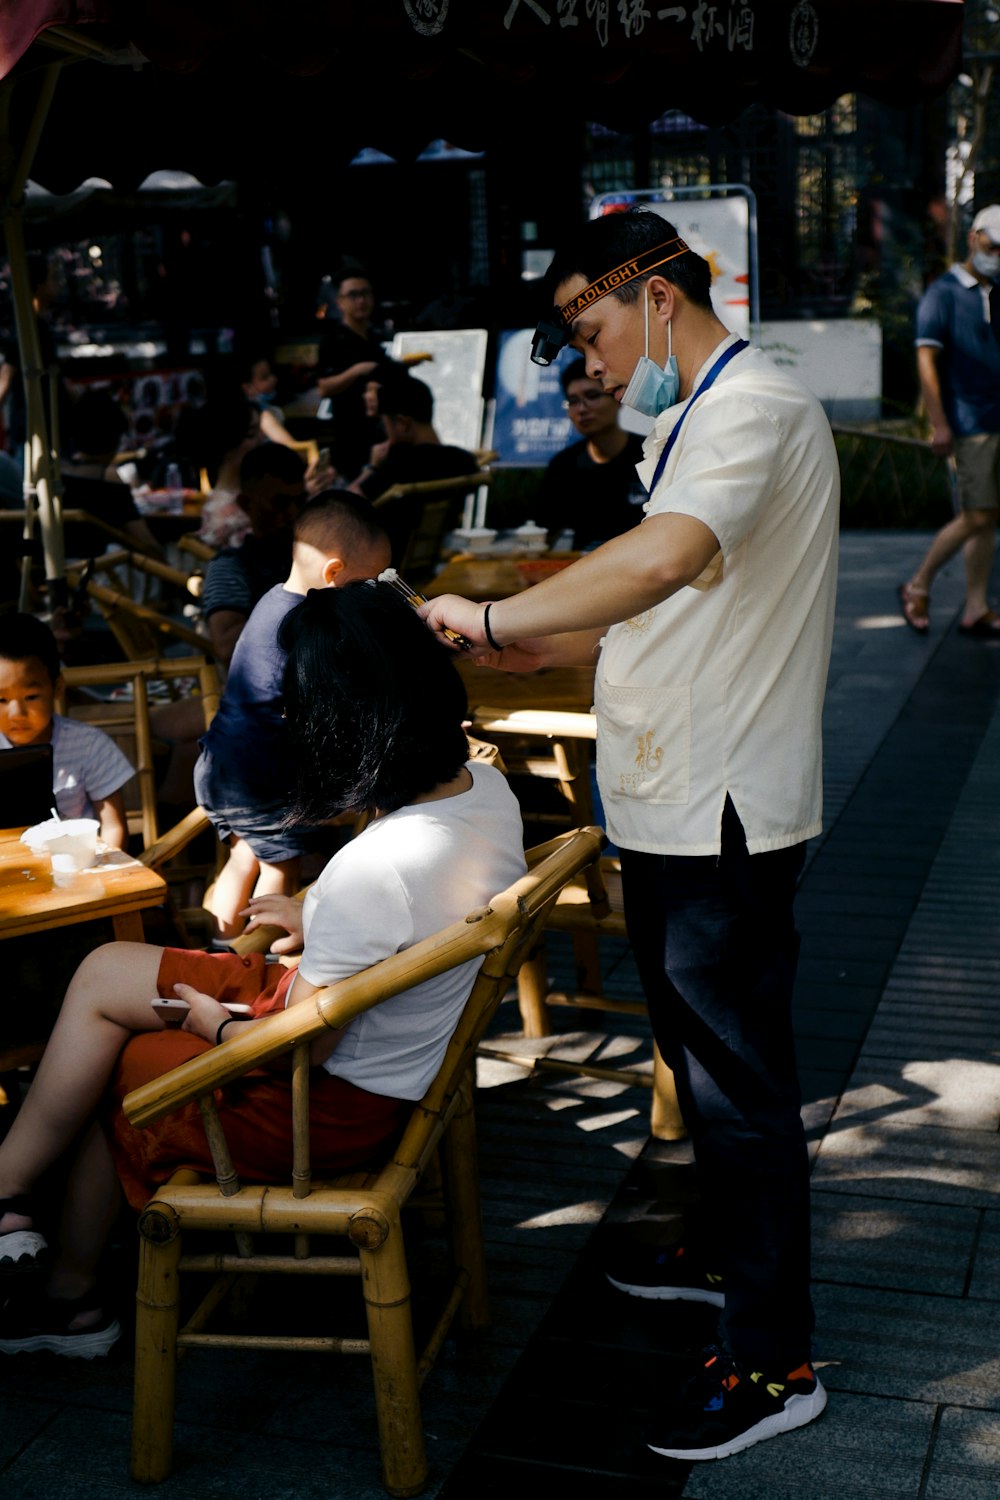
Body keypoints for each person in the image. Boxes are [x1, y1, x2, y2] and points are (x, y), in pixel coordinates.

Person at [418, 207, 838, 1462]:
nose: (587, 364)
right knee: (701, 1058)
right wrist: (552, 632)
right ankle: (727, 1253)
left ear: (656, 292)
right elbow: (664, 595)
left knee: (739, 1083)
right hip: (677, 792)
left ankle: (775, 1364)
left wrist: (492, 627)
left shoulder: (752, 407)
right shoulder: (694, 414)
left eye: (591, 329)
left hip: (720, 805)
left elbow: (661, 562)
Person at [0, 582, 526, 1356]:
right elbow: (412, 914)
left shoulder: (373, 867)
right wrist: (317, 917)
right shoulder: (484, 785)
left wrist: (216, 1023)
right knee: (106, 969)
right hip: (367, 1037)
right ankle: (12, 1199)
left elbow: (298, 1048)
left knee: (120, 1061)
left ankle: (72, 1300)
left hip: (329, 1100)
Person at [195, 493, 391, 939]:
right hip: (257, 777)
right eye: (369, 583)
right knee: (280, 871)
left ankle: (220, 948)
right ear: (334, 574)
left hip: (222, 764)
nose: (372, 594)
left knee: (245, 858)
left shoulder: (274, 601)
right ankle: (248, 962)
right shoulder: (303, 628)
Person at [899, 204, 1000, 637]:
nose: (998, 253)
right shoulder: (942, 292)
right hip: (970, 421)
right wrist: (939, 424)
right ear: (974, 237)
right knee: (978, 515)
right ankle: (918, 584)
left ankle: (976, 605)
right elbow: (926, 360)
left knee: (988, 516)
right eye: (994, 244)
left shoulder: (994, 290)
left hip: (996, 417)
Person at [0, 612, 133, 849]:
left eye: (31, 697)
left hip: (77, 871)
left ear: (57, 687)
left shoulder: (89, 746)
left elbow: (114, 827)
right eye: (1, 699)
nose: (17, 712)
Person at [350, 373, 478, 566]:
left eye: (386, 425)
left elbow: (346, 508)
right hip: (434, 562)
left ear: (402, 423)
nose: (386, 434)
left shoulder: (399, 468)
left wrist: (372, 467)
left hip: (388, 568)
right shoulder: (463, 461)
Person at [533, 357, 647, 549]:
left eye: (592, 396)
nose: (582, 409)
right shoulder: (564, 467)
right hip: (585, 572)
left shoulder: (651, 454)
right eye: (573, 401)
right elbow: (543, 538)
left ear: (617, 398)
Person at [60, 389, 164, 561]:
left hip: (63, 567)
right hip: (101, 572)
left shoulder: (59, 472)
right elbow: (145, 542)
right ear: (114, 438)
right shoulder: (107, 477)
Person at [315, 268, 399, 479]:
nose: (361, 301)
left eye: (365, 294)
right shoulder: (333, 342)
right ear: (340, 301)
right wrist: (356, 371)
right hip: (351, 437)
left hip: (382, 433)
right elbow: (324, 388)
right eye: (353, 295)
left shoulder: (375, 336)